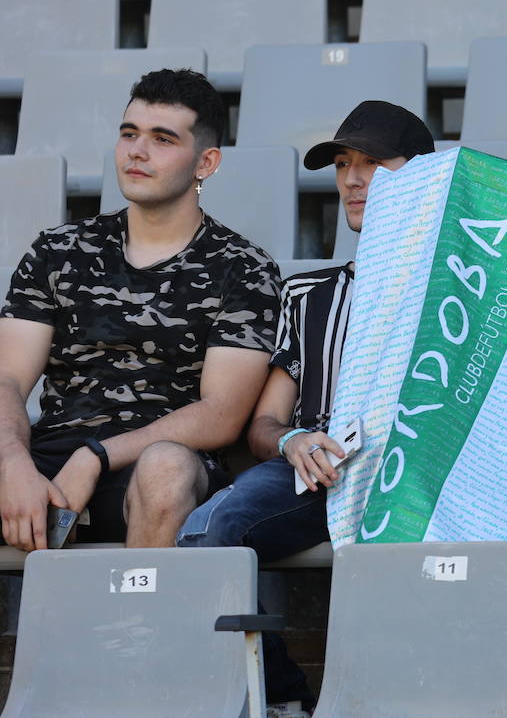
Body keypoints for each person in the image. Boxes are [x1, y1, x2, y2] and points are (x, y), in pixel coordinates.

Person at [177, 100, 435, 706]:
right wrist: (293, 441)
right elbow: (264, 423)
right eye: (344, 163)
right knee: (208, 533)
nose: (352, 178)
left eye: (373, 162)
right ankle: (285, 696)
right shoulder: (309, 294)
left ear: (424, 176)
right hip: (321, 472)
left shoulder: (465, 286)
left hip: (423, 474)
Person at [0, 69, 279, 550]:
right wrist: (12, 462)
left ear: (205, 162)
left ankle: (138, 625)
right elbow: (7, 378)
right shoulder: (58, 250)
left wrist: (97, 457)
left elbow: (220, 415)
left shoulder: (243, 268)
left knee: (165, 468)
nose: (137, 151)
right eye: (129, 133)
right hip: (48, 458)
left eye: (162, 139)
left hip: (153, 464)